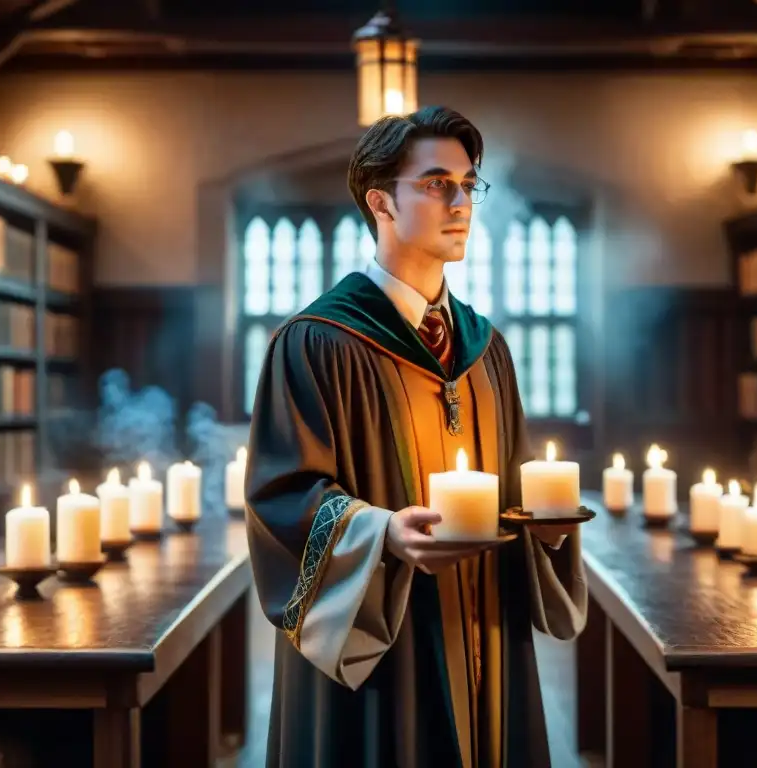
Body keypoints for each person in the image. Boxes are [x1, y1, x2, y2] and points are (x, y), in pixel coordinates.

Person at [245, 105, 587, 768]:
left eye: (469, 184)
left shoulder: (487, 350)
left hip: (485, 623)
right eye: (437, 184)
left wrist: (546, 531)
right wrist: (382, 534)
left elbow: (520, 491)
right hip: (379, 638)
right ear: (381, 201)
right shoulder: (317, 342)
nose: (461, 202)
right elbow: (282, 497)